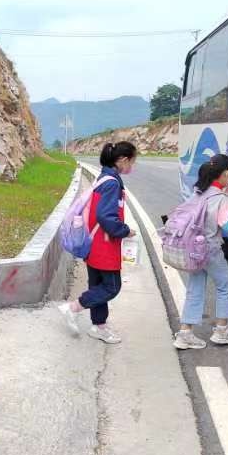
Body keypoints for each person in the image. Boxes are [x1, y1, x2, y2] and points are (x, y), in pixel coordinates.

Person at [173, 154, 228, 350]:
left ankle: (185, 333)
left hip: (193, 249)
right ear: (226, 174)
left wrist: (226, 195)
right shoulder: (220, 199)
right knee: (225, 286)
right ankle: (221, 331)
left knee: (195, 288)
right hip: (210, 249)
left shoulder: (199, 192)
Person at [58, 142, 137, 344]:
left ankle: (99, 326)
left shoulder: (104, 177)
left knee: (97, 284)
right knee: (111, 287)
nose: (133, 166)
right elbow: (105, 215)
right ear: (122, 160)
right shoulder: (112, 183)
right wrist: (125, 230)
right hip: (104, 245)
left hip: (93, 243)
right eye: (132, 161)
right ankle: (74, 308)